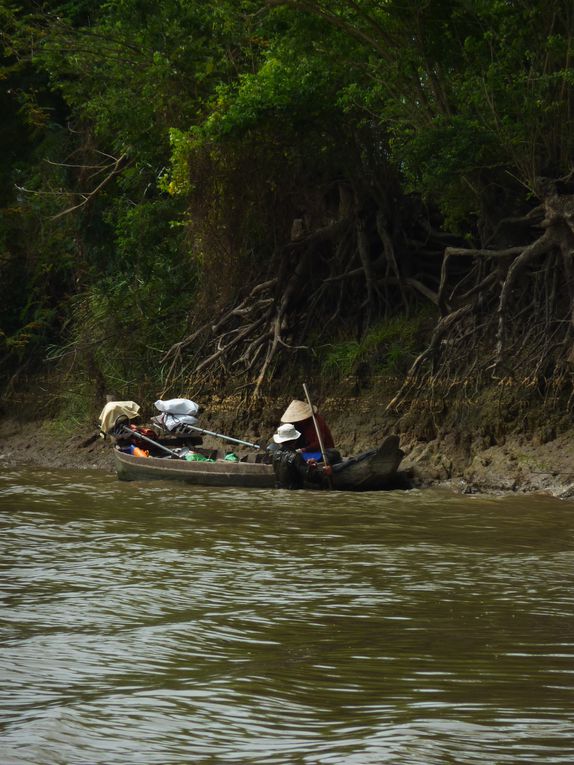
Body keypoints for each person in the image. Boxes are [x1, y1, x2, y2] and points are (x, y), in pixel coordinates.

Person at [270, 423, 327, 489]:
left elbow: (290, 468)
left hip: (279, 489)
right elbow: (311, 477)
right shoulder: (296, 456)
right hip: (292, 490)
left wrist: (307, 466)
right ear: (295, 440)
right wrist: (323, 471)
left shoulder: (275, 454)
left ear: (281, 441)